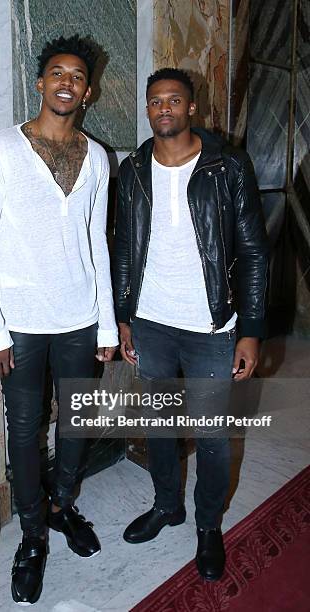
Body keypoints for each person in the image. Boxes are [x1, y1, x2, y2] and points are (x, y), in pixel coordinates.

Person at [0, 35, 118, 605]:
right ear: (39, 83)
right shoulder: (3, 150)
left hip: (80, 319)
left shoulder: (98, 156)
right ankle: (32, 537)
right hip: (22, 326)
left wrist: (106, 324)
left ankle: (61, 507)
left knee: (75, 425)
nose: (66, 83)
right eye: (57, 72)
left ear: (88, 90)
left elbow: (98, 245)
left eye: (77, 76)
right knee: (26, 432)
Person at [113, 68, 268, 581]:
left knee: (213, 436)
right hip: (152, 322)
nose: (163, 109)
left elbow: (252, 252)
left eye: (173, 100)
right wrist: (124, 316)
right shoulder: (133, 168)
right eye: (155, 102)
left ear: (191, 108)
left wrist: (250, 328)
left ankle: (207, 525)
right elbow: (124, 249)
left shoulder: (228, 166)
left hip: (211, 328)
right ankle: (166, 506)